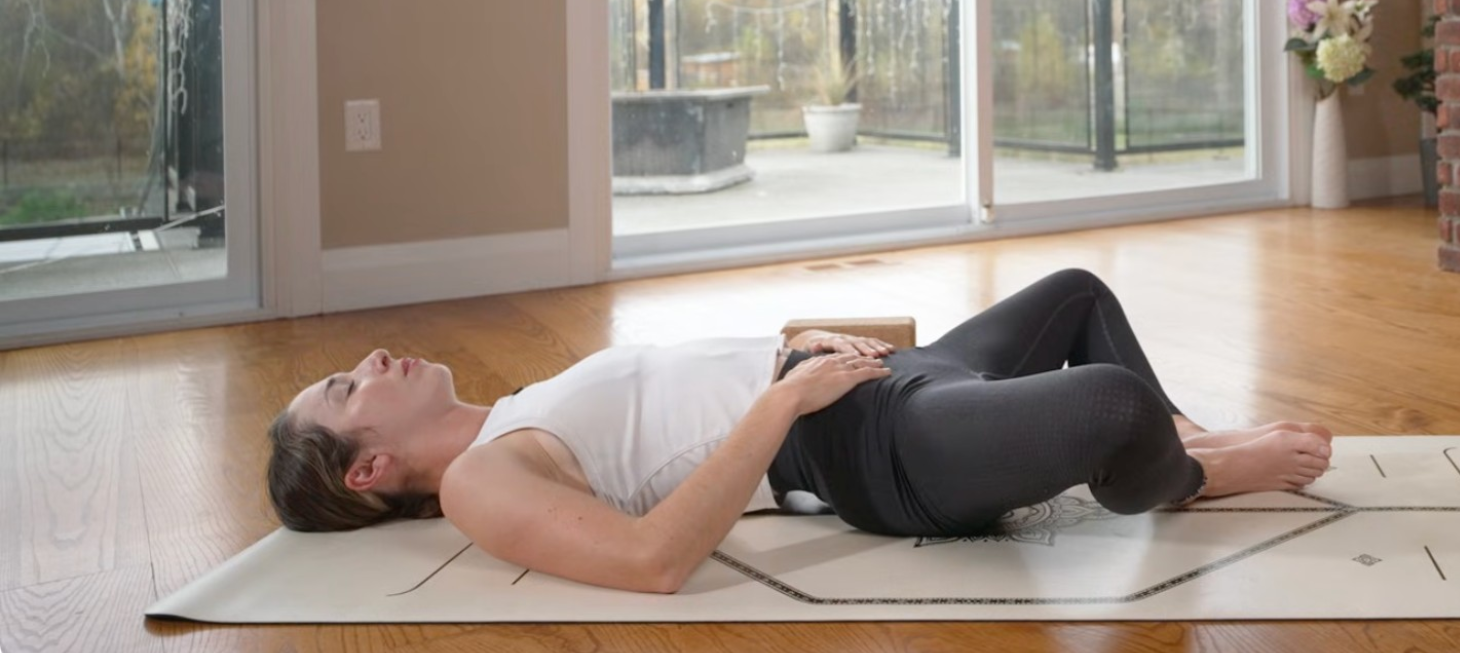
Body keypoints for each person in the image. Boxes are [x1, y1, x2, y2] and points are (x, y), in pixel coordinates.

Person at [267, 268, 1334, 594]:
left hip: (870, 379)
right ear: (368, 467)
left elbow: (684, 395)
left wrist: (799, 347)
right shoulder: (479, 481)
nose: (370, 364)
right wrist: (782, 401)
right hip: (869, 448)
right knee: (1108, 400)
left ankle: (1187, 438)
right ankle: (1178, 475)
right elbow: (649, 560)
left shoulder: (513, 410)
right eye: (345, 389)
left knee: (1075, 293)